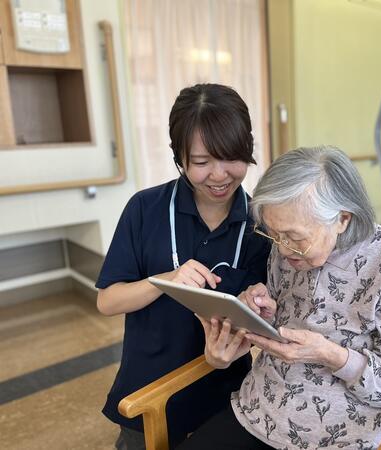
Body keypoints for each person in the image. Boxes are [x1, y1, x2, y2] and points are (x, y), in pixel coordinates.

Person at [180, 146, 381, 450]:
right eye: (274, 234)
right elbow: (286, 316)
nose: (284, 250)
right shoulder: (284, 248)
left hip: (342, 435)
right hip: (261, 411)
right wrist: (262, 312)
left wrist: (331, 354)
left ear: (342, 219)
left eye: (295, 238)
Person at [96, 83, 270, 449]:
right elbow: (108, 301)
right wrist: (164, 280)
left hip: (228, 399)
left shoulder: (260, 226)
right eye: (203, 162)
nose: (220, 175)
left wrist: (256, 305)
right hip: (148, 394)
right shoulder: (145, 209)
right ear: (180, 159)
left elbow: (260, 317)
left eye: (231, 158)